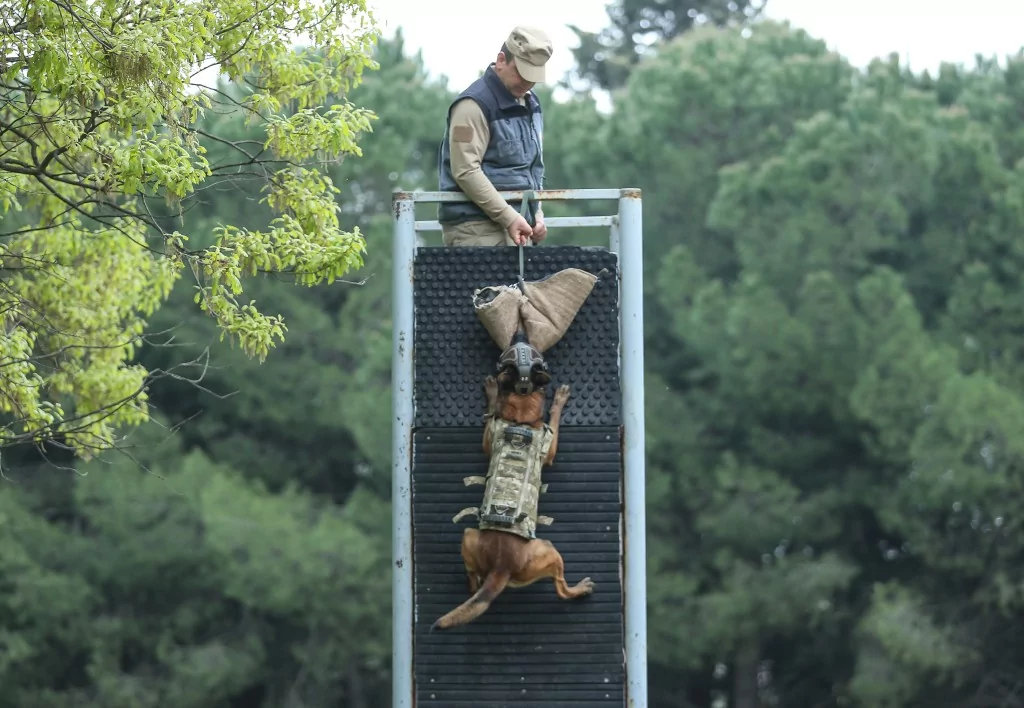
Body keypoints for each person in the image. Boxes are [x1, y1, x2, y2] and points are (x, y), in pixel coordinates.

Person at [436, 26, 553, 247]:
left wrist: (537, 214)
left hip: (518, 228)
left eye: (533, 77)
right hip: (476, 229)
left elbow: (533, 168)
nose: (527, 83)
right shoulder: (472, 106)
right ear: (501, 60)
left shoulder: (531, 103)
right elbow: (466, 171)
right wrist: (510, 218)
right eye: (521, 73)